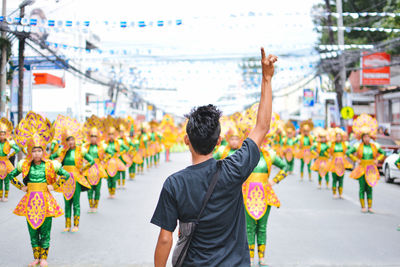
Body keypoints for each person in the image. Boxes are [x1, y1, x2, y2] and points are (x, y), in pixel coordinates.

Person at [151, 48, 277, 267]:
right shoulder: (234, 168)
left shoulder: (174, 183)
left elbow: (165, 238)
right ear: (219, 141)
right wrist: (266, 78)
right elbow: (262, 127)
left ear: (186, 140)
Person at [8, 111, 70, 267]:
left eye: (39, 150)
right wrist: (21, 186)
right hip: (29, 200)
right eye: (34, 150)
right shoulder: (24, 165)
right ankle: (36, 257)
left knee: (45, 230)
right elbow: (10, 175)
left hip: (46, 200)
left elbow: (66, 175)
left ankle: (44, 258)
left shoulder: (51, 164)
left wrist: (54, 186)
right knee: (32, 230)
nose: (36, 153)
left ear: (43, 151)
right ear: (30, 151)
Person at [51, 117, 94, 232]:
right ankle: (67, 225)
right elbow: (50, 158)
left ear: (75, 140)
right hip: (65, 180)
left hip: (76, 179)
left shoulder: (81, 150)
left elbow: (92, 161)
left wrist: (82, 169)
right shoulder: (62, 151)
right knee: (66, 202)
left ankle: (76, 225)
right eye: (68, 140)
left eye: (72, 139)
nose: (70, 142)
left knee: (76, 202)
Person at [346, 114, 385, 213]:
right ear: (362, 138)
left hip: (371, 168)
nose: (367, 139)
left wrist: (378, 159)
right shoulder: (357, 146)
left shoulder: (374, 145)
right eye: (365, 137)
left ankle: (370, 206)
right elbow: (348, 152)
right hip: (361, 168)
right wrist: (356, 159)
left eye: (368, 137)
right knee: (362, 187)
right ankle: (363, 206)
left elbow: (383, 153)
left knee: (370, 187)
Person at [82, 115, 108, 213]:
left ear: (98, 137)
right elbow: (81, 156)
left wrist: (104, 160)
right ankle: (91, 206)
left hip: (98, 169)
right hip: (89, 169)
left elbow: (110, 153)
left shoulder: (102, 146)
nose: (93, 138)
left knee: (97, 189)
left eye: (95, 136)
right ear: (89, 137)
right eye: (92, 136)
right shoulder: (85, 147)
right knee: (89, 189)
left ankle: (95, 206)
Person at [329, 128, 353, 199]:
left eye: (339, 136)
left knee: (341, 178)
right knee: (334, 178)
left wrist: (346, 155)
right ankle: (334, 193)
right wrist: (330, 156)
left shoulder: (344, 144)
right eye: (337, 136)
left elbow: (351, 149)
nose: (338, 138)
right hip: (334, 163)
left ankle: (340, 193)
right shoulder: (332, 144)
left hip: (342, 163)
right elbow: (327, 150)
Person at [0, 117, 20, 202]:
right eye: (0, 134)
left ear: (6, 135)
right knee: (0, 180)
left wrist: (10, 155)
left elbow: (17, 149)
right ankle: (0, 196)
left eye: (3, 134)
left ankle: (6, 196)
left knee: (6, 180)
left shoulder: (9, 143)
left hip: (6, 162)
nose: (2, 136)